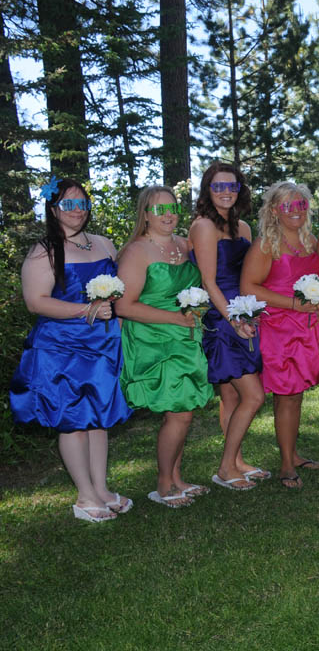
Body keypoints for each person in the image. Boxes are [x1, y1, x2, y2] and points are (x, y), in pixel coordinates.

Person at [10, 178, 133, 522]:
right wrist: (85, 311)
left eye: (82, 203)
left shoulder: (105, 244)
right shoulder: (44, 251)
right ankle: (84, 495)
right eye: (68, 204)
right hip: (61, 346)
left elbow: (116, 296)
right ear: (53, 209)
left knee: (99, 418)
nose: (77, 211)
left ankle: (103, 489)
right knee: (73, 419)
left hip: (102, 343)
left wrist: (117, 330)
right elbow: (36, 302)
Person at [117, 186, 214, 508]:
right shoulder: (136, 252)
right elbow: (124, 306)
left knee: (182, 409)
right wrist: (174, 318)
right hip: (152, 340)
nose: (168, 215)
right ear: (145, 214)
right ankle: (163, 484)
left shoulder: (185, 246)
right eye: (160, 210)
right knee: (180, 414)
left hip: (184, 337)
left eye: (172, 208)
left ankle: (176, 478)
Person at [240, 181, 319, 489]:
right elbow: (249, 287)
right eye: (288, 205)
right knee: (287, 396)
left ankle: (292, 453)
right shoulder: (266, 244)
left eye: (301, 205)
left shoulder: (310, 240)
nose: (295, 211)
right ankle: (287, 465)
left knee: (295, 396)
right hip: (279, 330)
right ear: (275, 210)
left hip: (305, 329)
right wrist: (294, 304)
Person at [188, 161, 267, 491]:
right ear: (208, 189)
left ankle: (236, 460)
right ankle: (224, 467)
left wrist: (251, 314)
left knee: (232, 399)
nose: (225, 192)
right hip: (221, 320)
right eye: (218, 186)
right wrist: (232, 320)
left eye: (232, 186)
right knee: (254, 396)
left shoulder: (245, 229)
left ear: (240, 190)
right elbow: (208, 280)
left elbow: (248, 276)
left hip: (244, 316)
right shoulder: (204, 226)